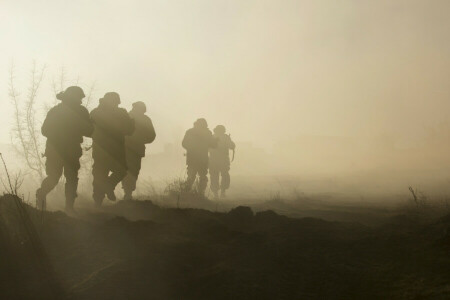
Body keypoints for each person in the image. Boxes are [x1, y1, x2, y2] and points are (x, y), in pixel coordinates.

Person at [36, 86, 93, 212]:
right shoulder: (59, 111)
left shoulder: (70, 111)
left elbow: (89, 130)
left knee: (70, 177)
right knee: (55, 177)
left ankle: (69, 207)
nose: (80, 101)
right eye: (79, 98)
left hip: (65, 150)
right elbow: (45, 130)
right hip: (57, 150)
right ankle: (42, 195)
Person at [90, 92, 134, 207]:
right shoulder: (120, 113)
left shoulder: (96, 112)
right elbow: (129, 130)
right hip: (112, 149)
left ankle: (100, 198)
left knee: (104, 173)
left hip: (106, 149)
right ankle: (100, 197)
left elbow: (129, 130)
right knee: (104, 173)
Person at [121, 101, 156, 200]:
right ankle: (127, 192)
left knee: (131, 171)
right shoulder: (127, 116)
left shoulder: (142, 119)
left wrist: (140, 139)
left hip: (131, 148)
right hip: (129, 148)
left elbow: (151, 135)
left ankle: (128, 192)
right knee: (130, 170)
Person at [182, 118, 217, 196]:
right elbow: (213, 145)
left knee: (191, 176)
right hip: (202, 159)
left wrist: (191, 148)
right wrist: (215, 141)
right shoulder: (207, 133)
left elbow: (184, 143)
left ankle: (185, 194)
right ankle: (201, 194)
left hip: (193, 158)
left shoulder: (190, 131)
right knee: (202, 177)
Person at [209, 125, 236, 198]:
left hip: (213, 160)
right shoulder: (225, 137)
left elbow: (207, 148)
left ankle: (215, 193)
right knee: (224, 175)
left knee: (214, 176)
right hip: (223, 160)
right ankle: (222, 192)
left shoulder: (212, 137)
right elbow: (232, 146)